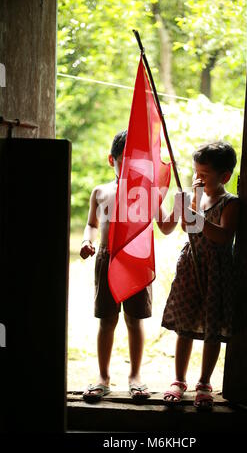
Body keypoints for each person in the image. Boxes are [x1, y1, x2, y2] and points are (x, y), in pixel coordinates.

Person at [79, 130, 178, 402]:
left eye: (136, 161)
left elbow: (166, 227)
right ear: (112, 160)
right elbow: (91, 224)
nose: (130, 167)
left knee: (134, 321)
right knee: (106, 320)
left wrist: (180, 204)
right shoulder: (100, 192)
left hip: (136, 260)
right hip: (106, 258)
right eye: (125, 160)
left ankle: (135, 376)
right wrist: (87, 241)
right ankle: (103, 376)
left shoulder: (147, 193)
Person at [160, 140, 240, 410]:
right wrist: (188, 207)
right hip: (190, 267)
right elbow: (186, 227)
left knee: (212, 327)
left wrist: (196, 217)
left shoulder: (230, 204)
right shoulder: (196, 196)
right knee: (185, 324)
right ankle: (179, 379)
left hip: (216, 270)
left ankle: (204, 381)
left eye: (204, 176)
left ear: (224, 176)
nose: (198, 179)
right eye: (196, 173)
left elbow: (223, 236)